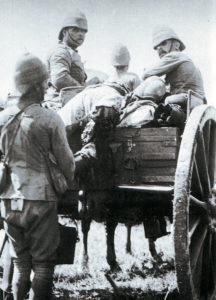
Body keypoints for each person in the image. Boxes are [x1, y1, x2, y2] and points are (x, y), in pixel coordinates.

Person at [0, 53, 75, 300]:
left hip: (10, 201)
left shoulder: (3, 119)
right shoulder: (49, 118)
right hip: (40, 201)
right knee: (43, 266)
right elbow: (67, 164)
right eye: (44, 82)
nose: (47, 86)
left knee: (22, 264)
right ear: (36, 85)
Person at [142, 25, 205, 109]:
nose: (160, 49)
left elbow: (146, 74)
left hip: (186, 98)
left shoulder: (175, 55)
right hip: (195, 101)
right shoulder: (184, 59)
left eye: (164, 43)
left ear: (176, 45)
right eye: (157, 47)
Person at [46, 9, 100, 106]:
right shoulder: (61, 51)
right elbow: (60, 78)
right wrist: (85, 91)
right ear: (64, 32)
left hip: (70, 103)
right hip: (59, 104)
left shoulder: (70, 52)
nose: (80, 34)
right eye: (75, 30)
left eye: (83, 31)